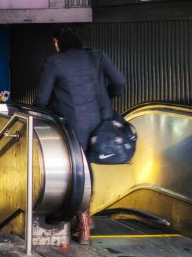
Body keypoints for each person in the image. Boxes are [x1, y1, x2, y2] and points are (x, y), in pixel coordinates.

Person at [34, 26, 126, 244]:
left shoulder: (55, 62)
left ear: (58, 43)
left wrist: (41, 117)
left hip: (70, 125)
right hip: (99, 123)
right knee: (86, 169)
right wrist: (105, 101)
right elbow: (120, 83)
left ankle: (83, 224)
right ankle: (84, 221)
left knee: (77, 171)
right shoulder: (96, 56)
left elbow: (42, 100)